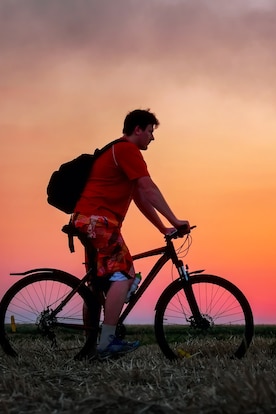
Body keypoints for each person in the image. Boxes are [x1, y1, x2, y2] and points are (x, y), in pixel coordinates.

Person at [72, 109, 189, 359]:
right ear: (138, 129)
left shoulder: (118, 153)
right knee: (124, 273)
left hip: (86, 219)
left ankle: (91, 346)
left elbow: (139, 197)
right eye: (150, 132)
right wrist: (176, 219)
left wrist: (163, 227)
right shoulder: (127, 150)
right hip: (98, 221)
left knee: (97, 284)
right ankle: (107, 342)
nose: (152, 138)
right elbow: (148, 187)